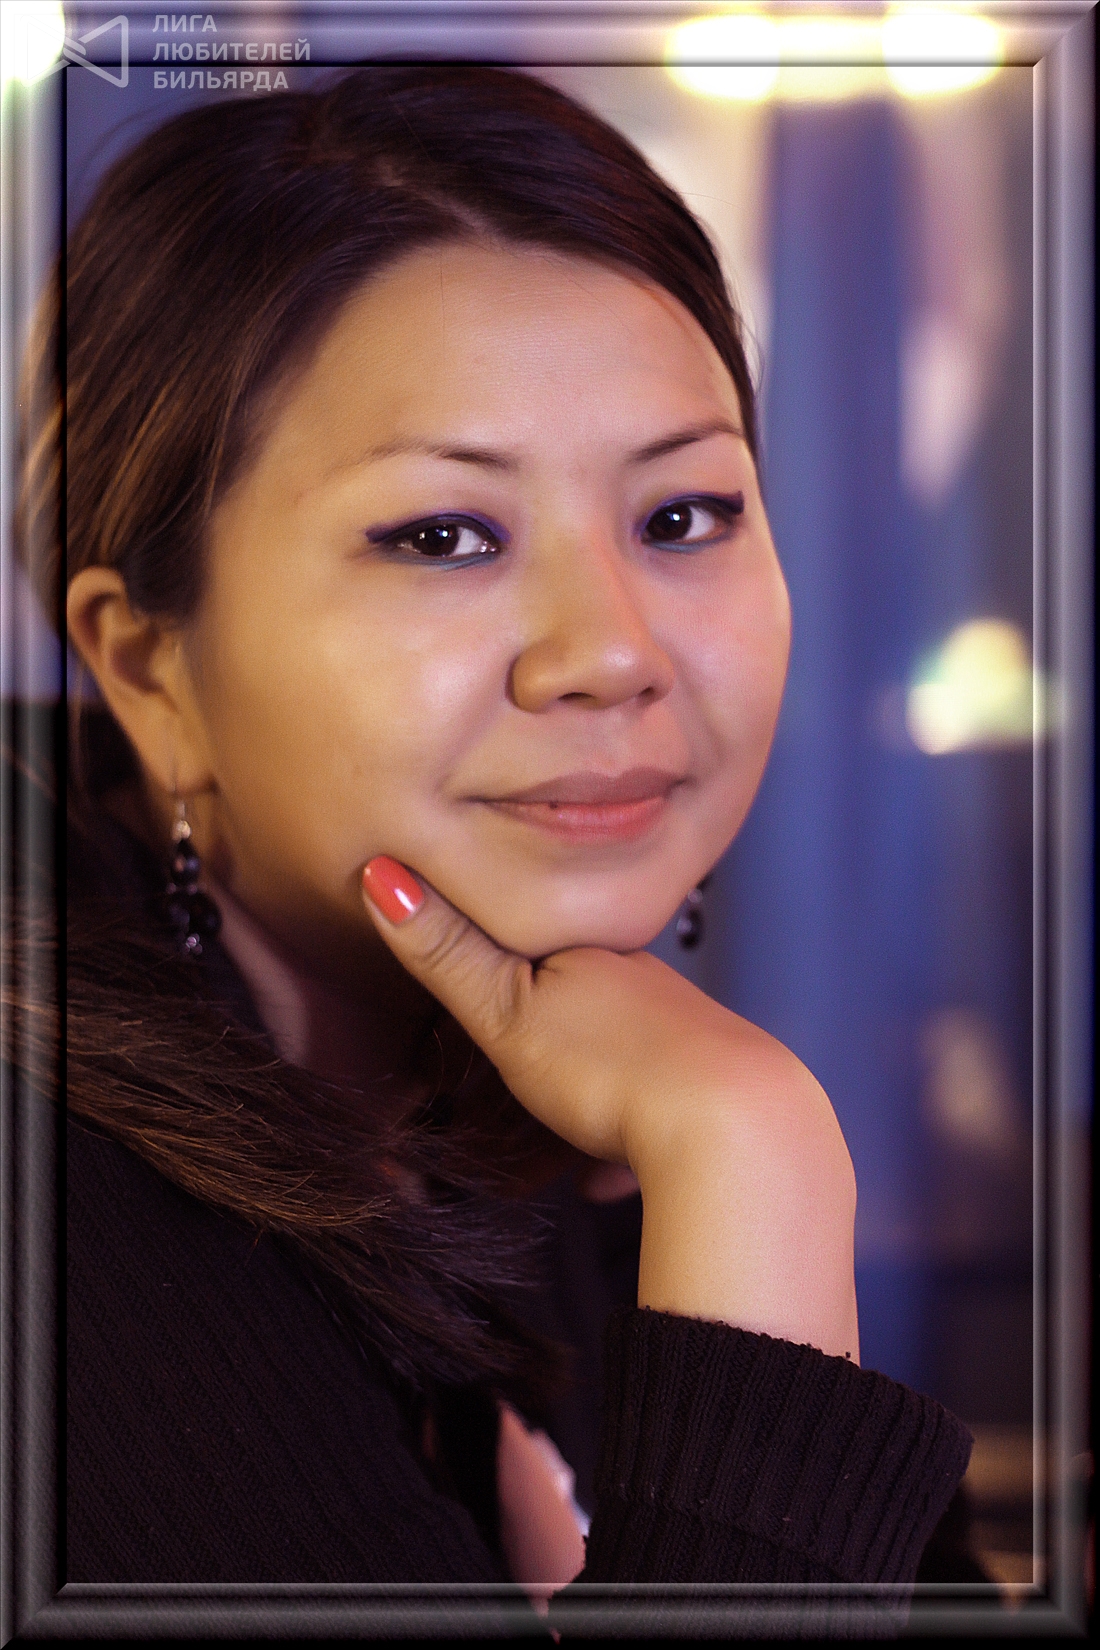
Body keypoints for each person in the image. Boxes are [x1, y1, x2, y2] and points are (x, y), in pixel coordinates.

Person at [10, 65, 972, 1632]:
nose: (612, 652)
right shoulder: (56, 1236)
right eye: (445, 535)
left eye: (682, 516)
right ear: (148, 665)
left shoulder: (539, 1070)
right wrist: (753, 1148)